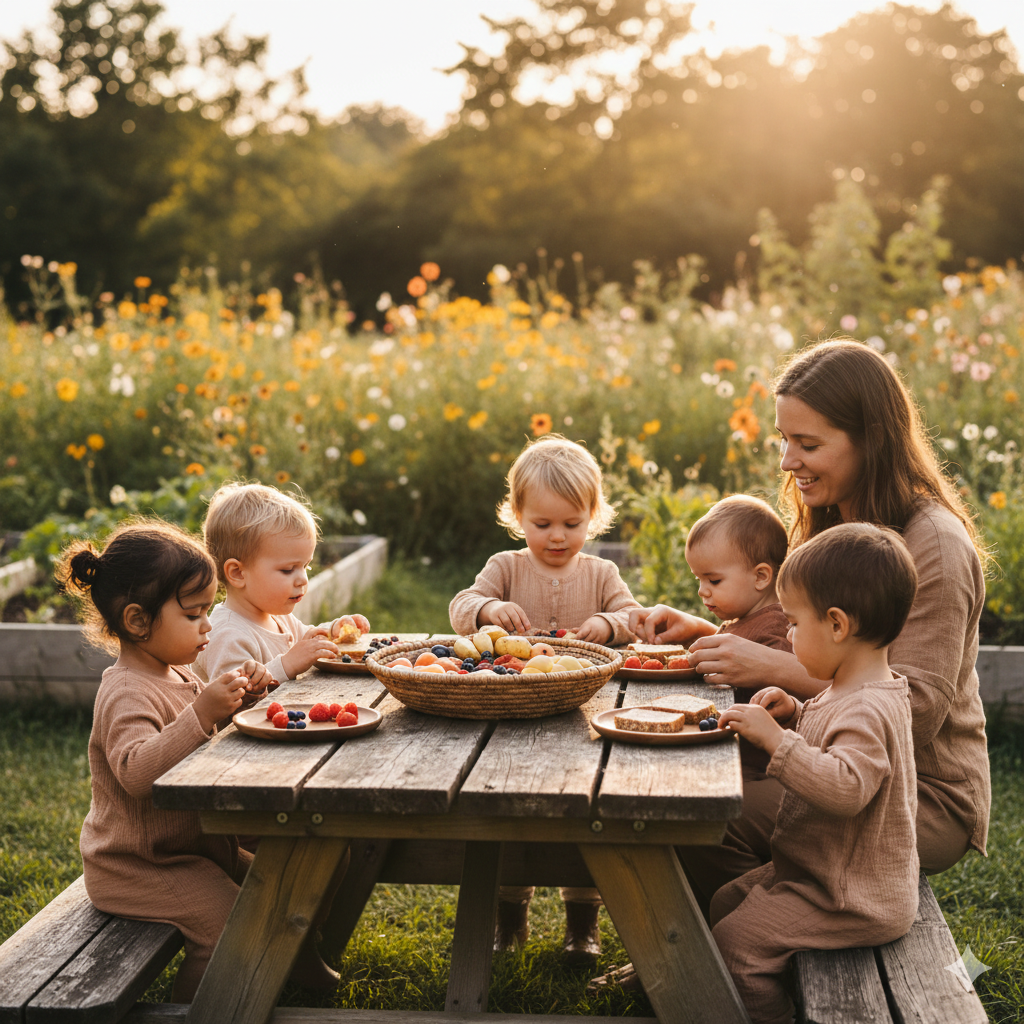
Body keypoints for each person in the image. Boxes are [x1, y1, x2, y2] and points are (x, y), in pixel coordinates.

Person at [631, 339, 990, 887]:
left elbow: (913, 710)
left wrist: (767, 667)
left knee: (705, 813)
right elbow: (806, 634)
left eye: (807, 443)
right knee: (689, 781)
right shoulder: (833, 515)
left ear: (871, 441)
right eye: (783, 439)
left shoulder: (933, 545)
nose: (786, 460)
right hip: (829, 754)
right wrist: (709, 631)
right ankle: (722, 949)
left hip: (916, 790)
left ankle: (716, 963)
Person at [56, 520, 340, 1002]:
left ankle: (299, 970)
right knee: (230, 927)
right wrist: (202, 712)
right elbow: (138, 773)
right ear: (137, 621)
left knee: (287, 887)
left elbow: (203, 745)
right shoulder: (125, 692)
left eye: (207, 611)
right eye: (194, 615)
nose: (209, 624)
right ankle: (199, 1011)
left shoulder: (179, 672)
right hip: (141, 866)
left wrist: (246, 696)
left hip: (196, 850)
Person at [712, 522, 921, 1024]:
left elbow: (847, 787)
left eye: (792, 623)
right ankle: (703, 980)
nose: (786, 634)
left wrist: (777, 742)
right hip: (816, 870)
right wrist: (793, 714)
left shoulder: (869, 707)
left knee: (736, 947)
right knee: (723, 901)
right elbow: (828, 742)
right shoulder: (844, 689)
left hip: (851, 895)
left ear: (836, 625)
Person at [449, 434, 641, 966]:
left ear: (593, 516)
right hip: (511, 713)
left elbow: (632, 618)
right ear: (517, 515)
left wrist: (608, 622)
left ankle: (583, 925)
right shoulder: (506, 567)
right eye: (542, 524)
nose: (557, 537)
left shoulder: (601, 574)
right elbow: (461, 604)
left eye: (572, 524)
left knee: (587, 815)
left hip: (583, 715)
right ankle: (509, 919)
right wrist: (487, 611)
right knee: (510, 814)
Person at [683, 494, 792, 778]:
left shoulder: (777, 633)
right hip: (729, 756)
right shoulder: (741, 621)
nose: (702, 591)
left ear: (760, 577)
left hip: (752, 770)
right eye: (699, 580)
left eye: (714, 580)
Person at [196, 482, 342, 686]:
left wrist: (335, 631)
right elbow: (232, 704)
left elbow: (307, 641)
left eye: (306, 567)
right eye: (287, 570)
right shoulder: (226, 635)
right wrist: (287, 665)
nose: (302, 579)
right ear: (238, 573)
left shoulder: (278, 617)